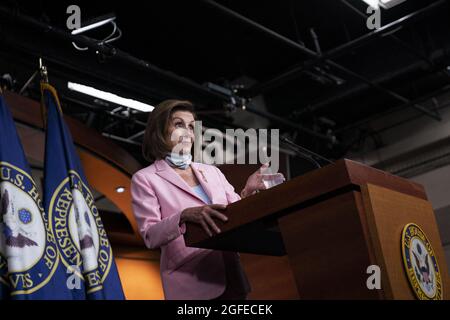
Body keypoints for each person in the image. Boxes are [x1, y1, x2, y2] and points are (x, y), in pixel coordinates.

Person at [130, 99, 284, 300]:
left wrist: (247, 191)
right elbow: (150, 235)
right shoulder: (145, 179)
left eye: (191, 127)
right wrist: (184, 216)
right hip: (192, 281)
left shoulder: (212, 172)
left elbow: (234, 213)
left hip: (232, 275)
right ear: (160, 130)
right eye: (178, 125)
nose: (187, 132)